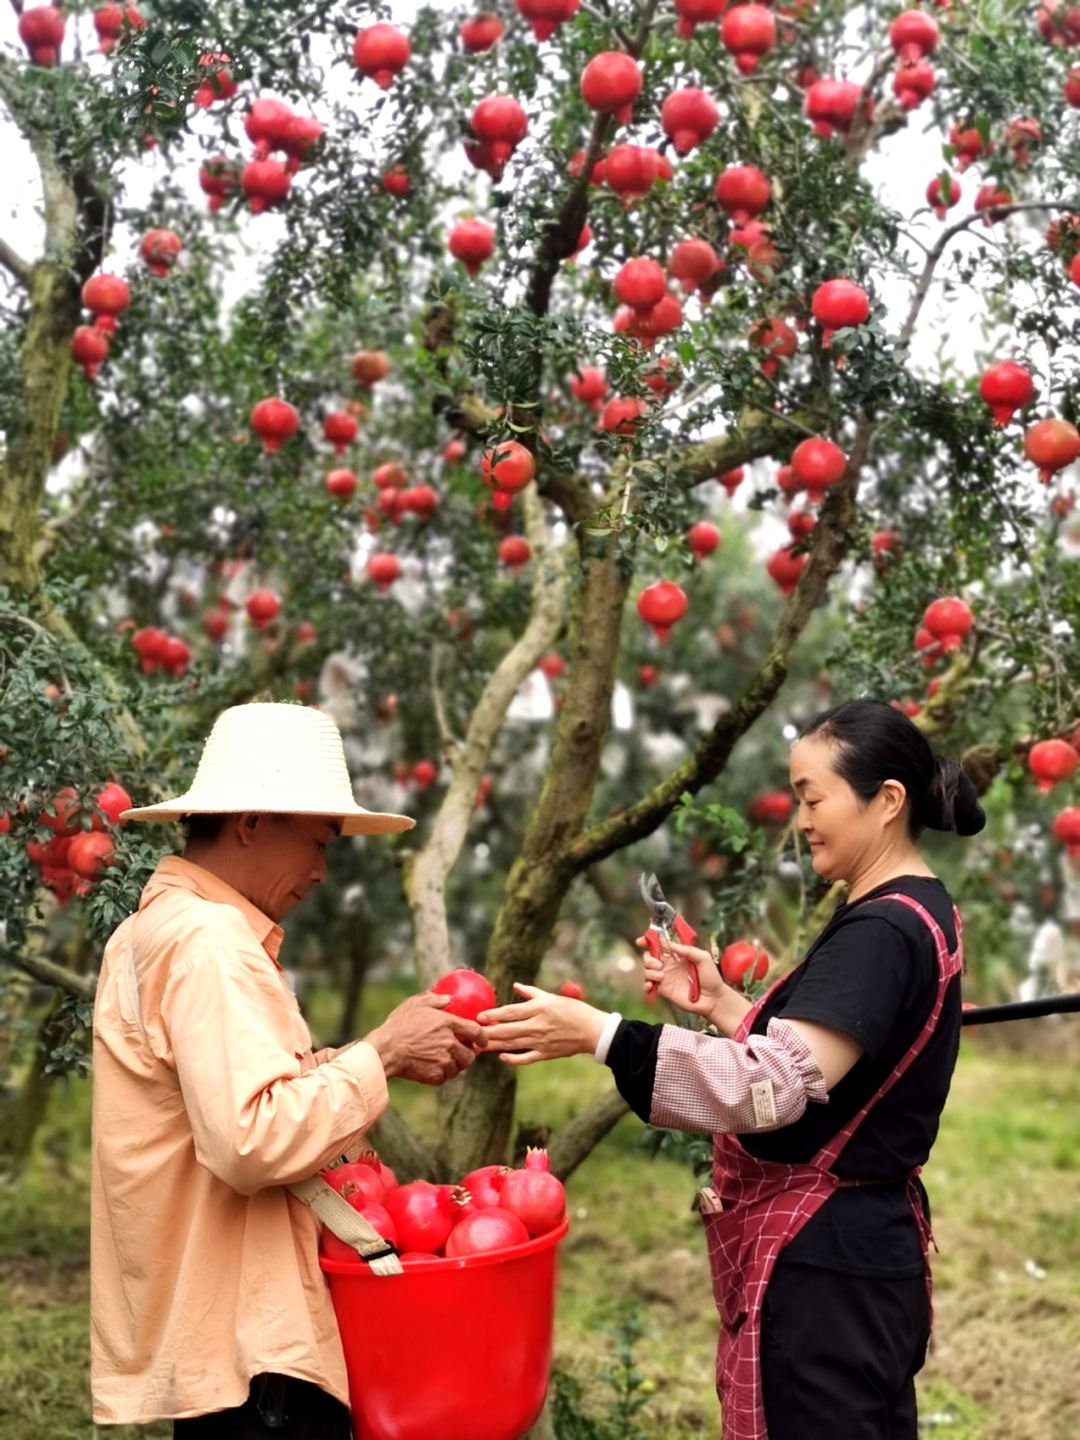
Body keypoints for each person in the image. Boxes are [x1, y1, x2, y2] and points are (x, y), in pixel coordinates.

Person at [480, 698, 985, 1440]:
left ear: (887, 801)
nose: (802, 819)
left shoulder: (881, 929)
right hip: (860, 1261)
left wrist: (605, 1037)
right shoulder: (915, 909)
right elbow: (826, 1071)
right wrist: (721, 1003)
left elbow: (773, 1088)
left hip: (828, 1277)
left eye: (814, 798)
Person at [91, 702, 485, 1438]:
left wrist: (372, 1056)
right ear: (251, 823)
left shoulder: (153, 929)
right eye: (319, 842)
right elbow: (251, 1139)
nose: (322, 871)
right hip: (254, 1358)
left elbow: (223, 1098)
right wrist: (384, 1054)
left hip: (215, 1335)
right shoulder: (211, 943)